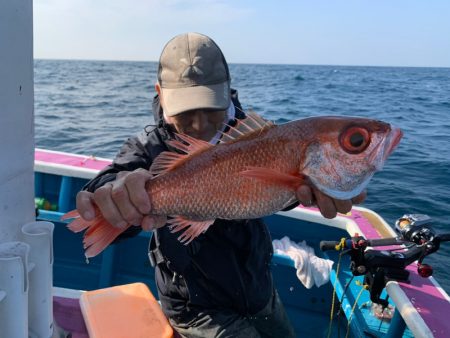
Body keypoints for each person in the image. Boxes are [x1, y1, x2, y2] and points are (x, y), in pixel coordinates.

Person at [76, 32, 366, 338]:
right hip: (196, 309)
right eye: (185, 111)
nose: (200, 124)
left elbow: (274, 191)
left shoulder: (259, 136)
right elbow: (116, 175)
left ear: (228, 91)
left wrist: (308, 190)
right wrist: (116, 192)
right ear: (160, 94)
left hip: (259, 290)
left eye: (211, 107)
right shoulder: (147, 147)